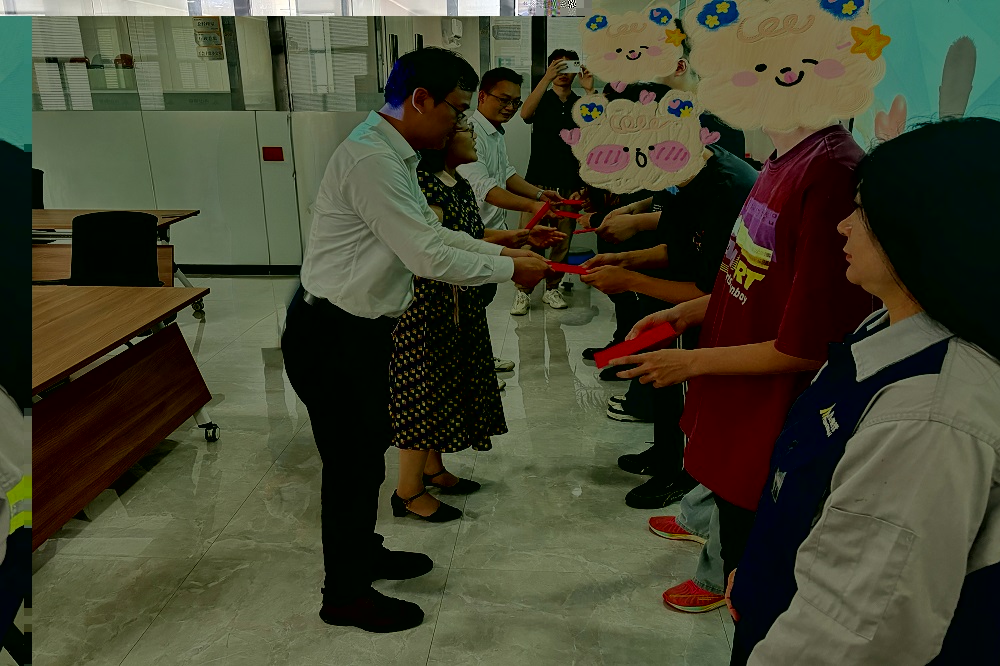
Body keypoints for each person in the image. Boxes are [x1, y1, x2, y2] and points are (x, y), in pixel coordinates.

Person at [280, 47, 551, 634]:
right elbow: (426, 256)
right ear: (420, 100)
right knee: (350, 467)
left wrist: (504, 251)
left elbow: (431, 231)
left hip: (360, 329)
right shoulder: (372, 160)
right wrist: (511, 270)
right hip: (332, 334)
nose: (462, 122)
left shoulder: (394, 153)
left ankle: (363, 553)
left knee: (367, 456)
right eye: (457, 109)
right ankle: (343, 595)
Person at [728, 117, 1000, 665]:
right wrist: (763, 566)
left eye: (862, 211)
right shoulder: (885, 329)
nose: (842, 226)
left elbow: (856, 634)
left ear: (921, 227)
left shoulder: (928, 415)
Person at [390, 123, 566, 522]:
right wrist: (510, 263)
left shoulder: (458, 183)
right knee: (423, 393)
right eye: (463, 128)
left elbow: (467, 235)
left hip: (459, 301)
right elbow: (436, 249)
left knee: (443, 389)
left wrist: (517, 240)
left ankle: (432, 468)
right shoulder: (423, 186)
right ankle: (407, 492)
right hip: (429, 307)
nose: (471, 136)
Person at [581, 125, 758, 512]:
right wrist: (623, 260)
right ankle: (664, 453)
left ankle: (683, 473)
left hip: (713, 307)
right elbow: (678, 249)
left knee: (686, 391)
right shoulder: (680, 179)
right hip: (678, 295)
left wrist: (628, 279)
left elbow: (710, 293)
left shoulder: (727, 190)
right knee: (663, 382)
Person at [456, 67, 566, 318]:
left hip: (494, 232)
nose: (510, 108)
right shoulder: (470, 133)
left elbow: (506, 174)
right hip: (473, 236)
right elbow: (486, 189)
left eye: (515, 102)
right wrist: (531, 206)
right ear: (482, 96)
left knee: (482, 301)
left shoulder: (495, 132)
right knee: (468, 306)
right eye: (504, 100)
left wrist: (539, 195)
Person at [516, 49, 595, 307]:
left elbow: (597, 127)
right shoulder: (542, 98)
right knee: (530, 239)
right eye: (557, 66)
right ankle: (523, 290)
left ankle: (552, 287)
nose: (562, 72)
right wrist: (546, 78)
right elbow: (525, 115)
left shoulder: (579, 103)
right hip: (536, 183)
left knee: (562, 242)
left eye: (568, 66)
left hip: (569, 183)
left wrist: (589, 90)